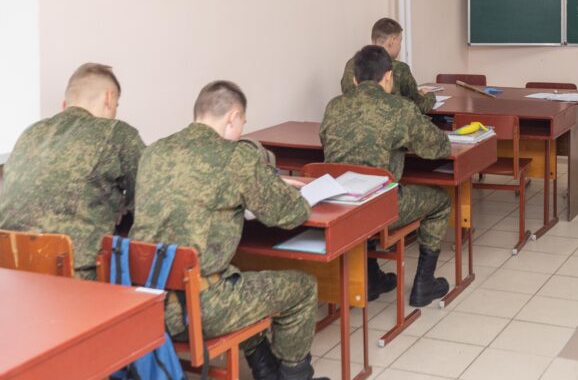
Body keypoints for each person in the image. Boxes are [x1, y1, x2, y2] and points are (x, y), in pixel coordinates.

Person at [131, 81, 325, 380]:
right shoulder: (236, 158)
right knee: (303, 287)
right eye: (243, 124)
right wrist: (273, 184)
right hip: (198, 307)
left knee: (237, 276)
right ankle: (295, 375)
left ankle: (265, 369)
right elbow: (290, 213)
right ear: (233, 117)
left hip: (145, 302)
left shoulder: (154, 152)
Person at [321, 45, 452, 307]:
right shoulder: (399, 108)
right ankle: (424, 284)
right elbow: (438, 148)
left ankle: (371, 280)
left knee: (369, 197)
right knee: (441, 202)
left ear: (355, 79)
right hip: (378, 208)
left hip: (338, 207)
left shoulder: (334, 106)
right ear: (389, 76)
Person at [0, 63, 143, 280]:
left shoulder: (30, 133)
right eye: (116, 105)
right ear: (109, 98)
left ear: (65, 104)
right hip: (73, 276)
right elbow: (149, 200)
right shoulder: (117, 133)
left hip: (11, 270)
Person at [341, 17, 434, 113]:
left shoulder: (351, 64)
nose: (400, 46)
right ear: (392, 41)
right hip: (391, 120)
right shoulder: (400, 68)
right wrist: (429, 95)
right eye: (400, 41)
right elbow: (419, 106)